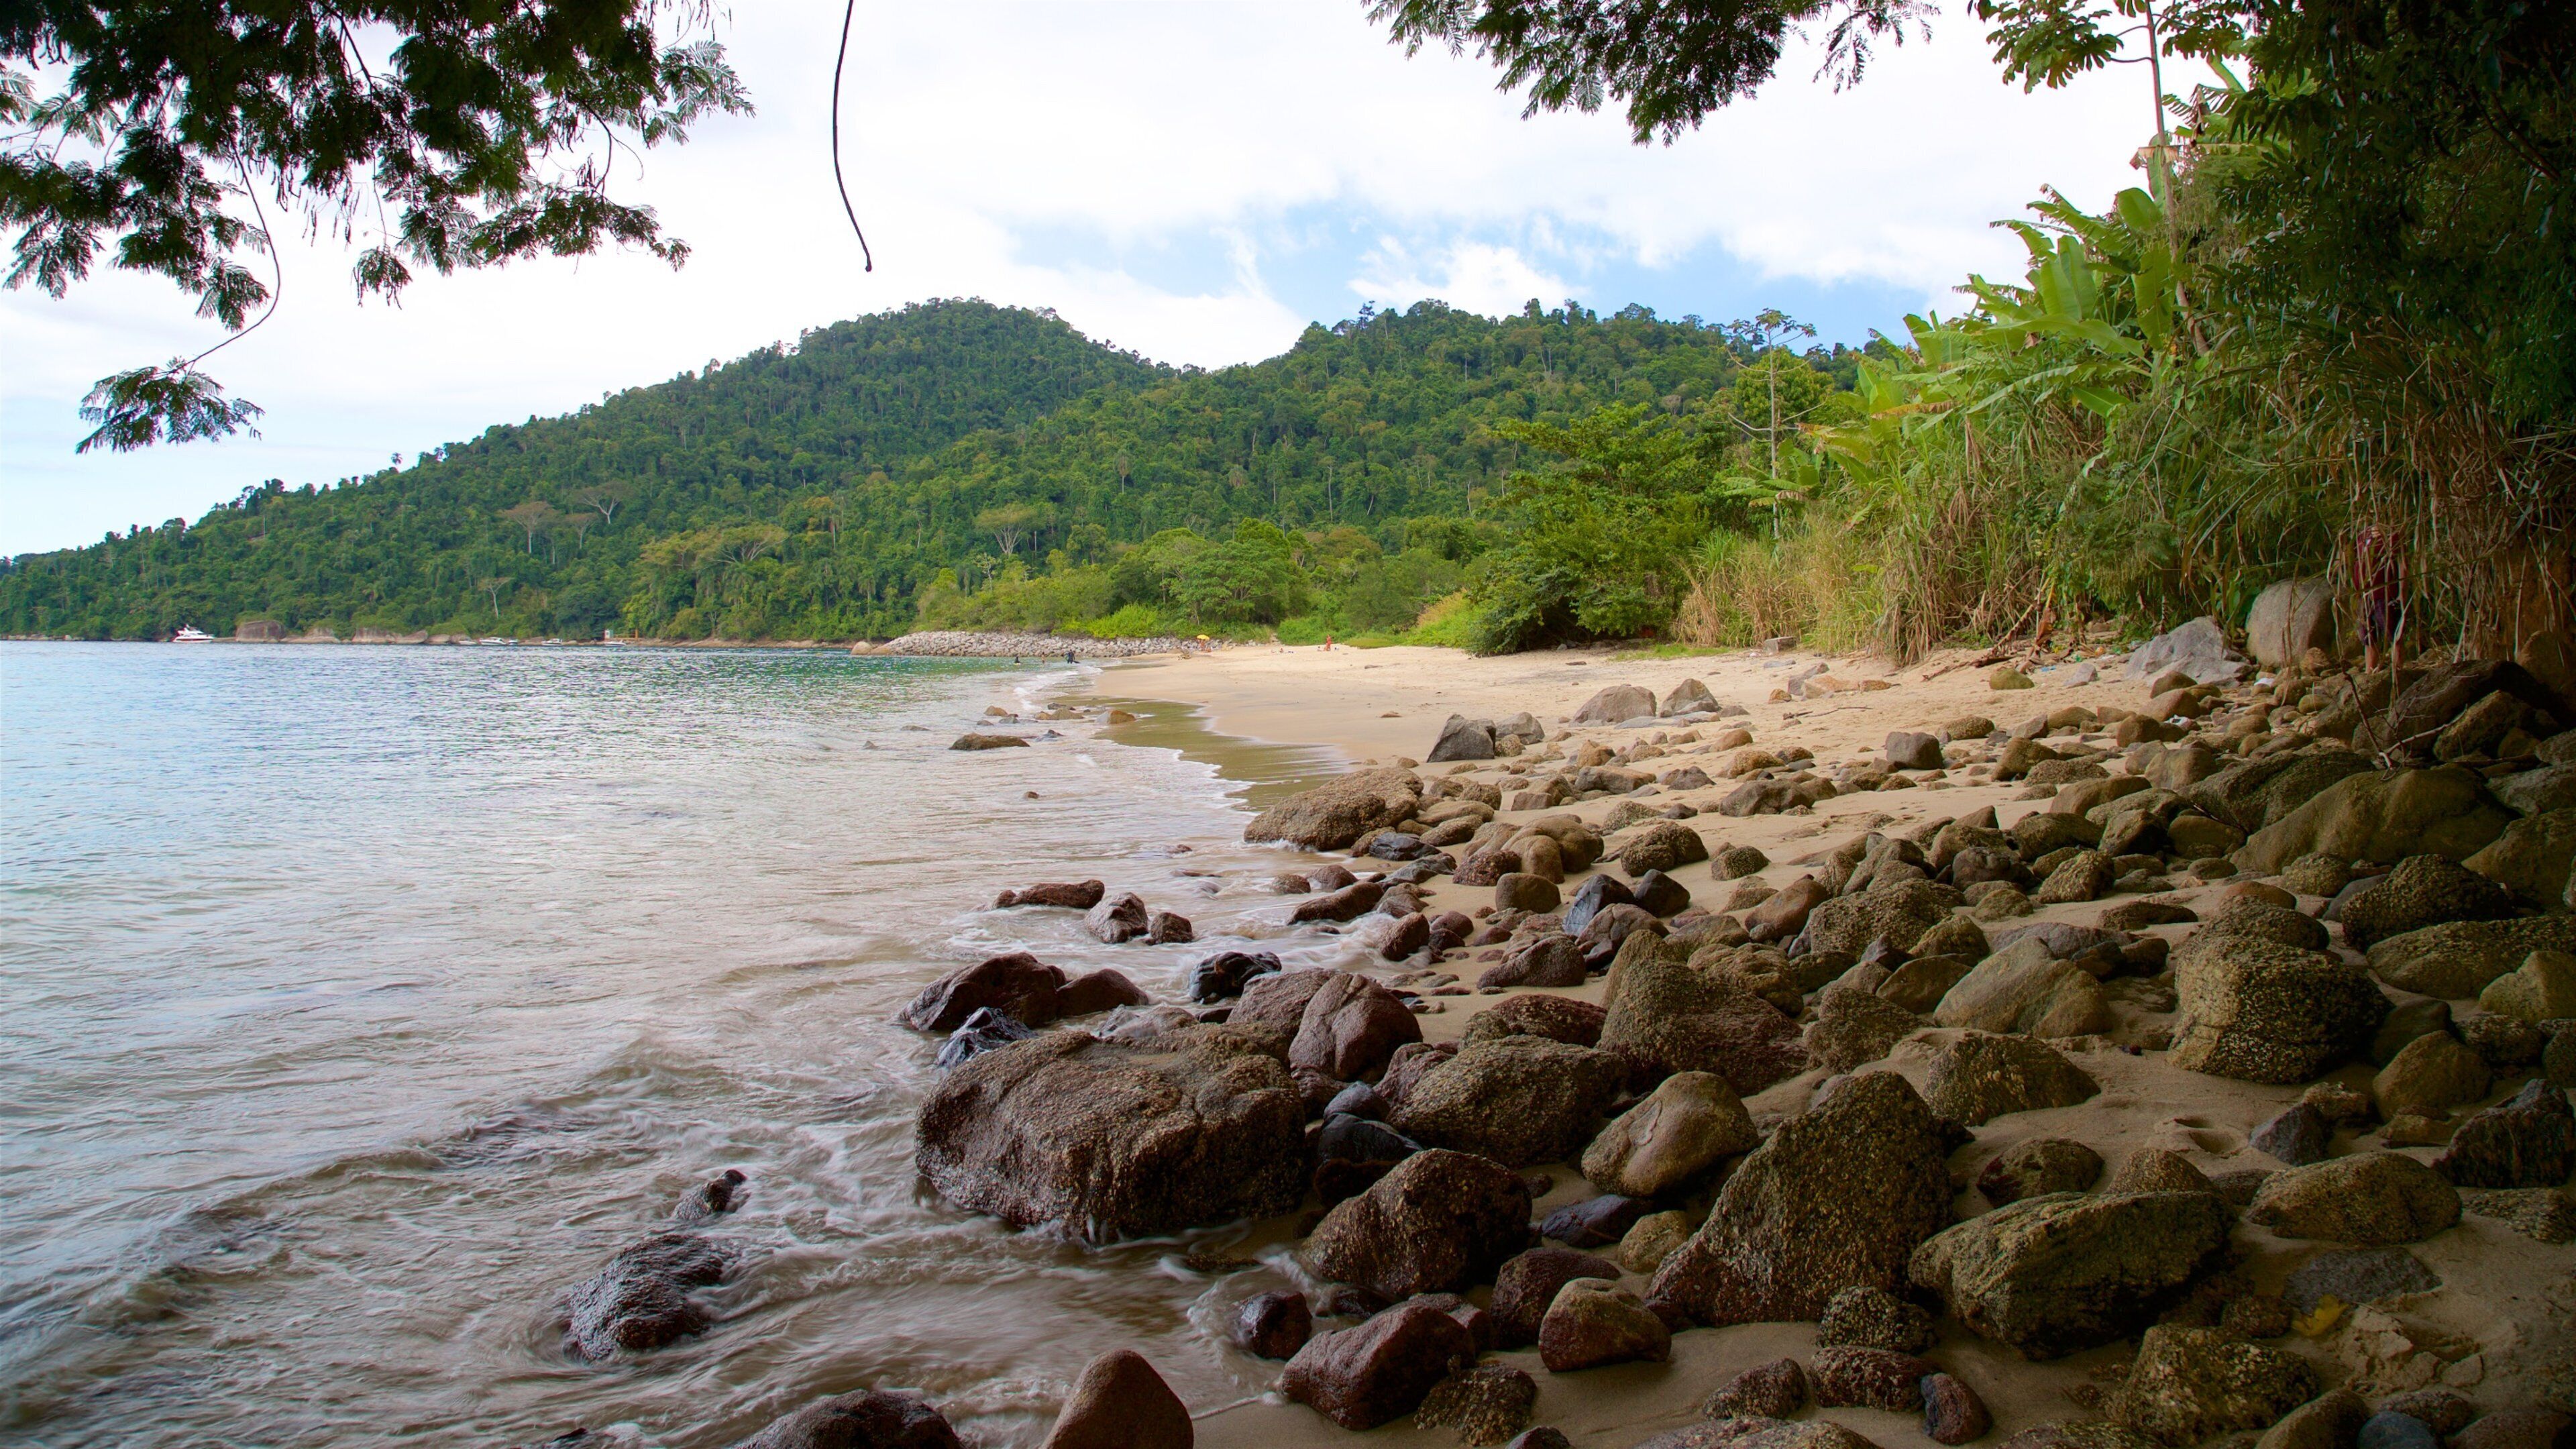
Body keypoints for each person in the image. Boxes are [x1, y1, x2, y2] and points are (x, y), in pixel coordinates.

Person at [2352, 525, 2406, 671]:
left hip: (2384, 593)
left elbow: (2402, 564)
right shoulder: (2362, 536)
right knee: (2368, 637)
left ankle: (2398, 669)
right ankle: (2370, 670)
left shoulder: (2391, 537)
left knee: (2393, 633)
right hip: (2364, 595)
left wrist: (2402, 591)